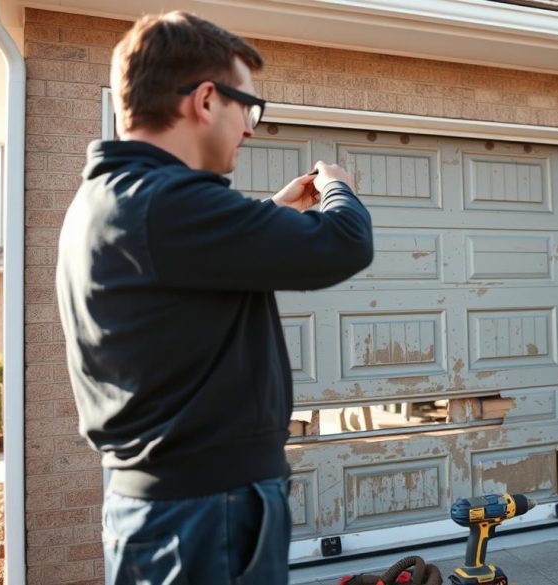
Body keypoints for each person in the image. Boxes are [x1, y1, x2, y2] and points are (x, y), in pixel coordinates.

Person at [55, 11, 373, 584]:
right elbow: (344, 244)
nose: (250, 127)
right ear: (205, 99)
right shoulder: (169, 204)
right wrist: (337, 185)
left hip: (169, 507)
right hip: (206, 512)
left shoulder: (113, 199)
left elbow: (186, 273)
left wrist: (268, 214)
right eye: (247, 107)